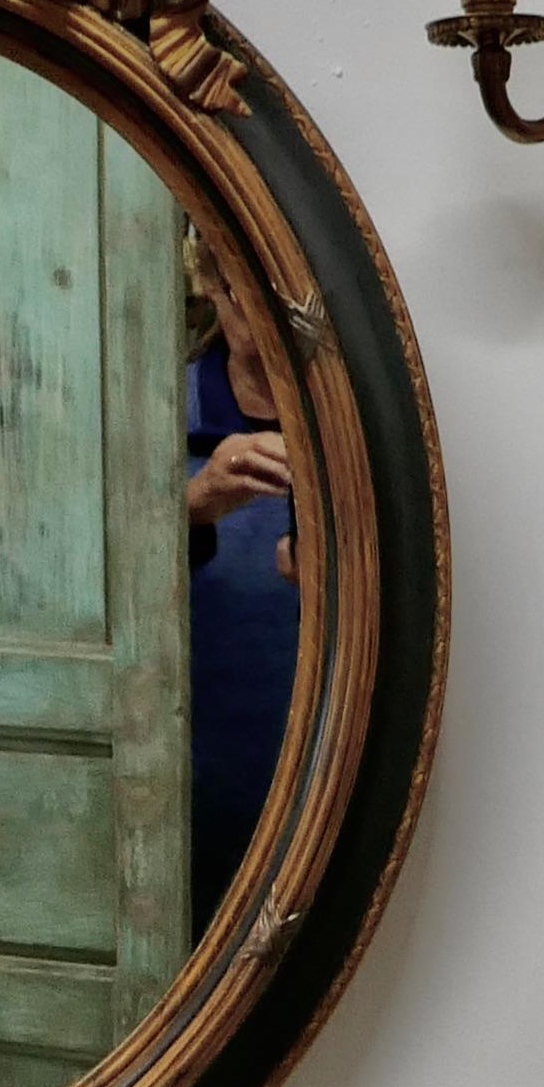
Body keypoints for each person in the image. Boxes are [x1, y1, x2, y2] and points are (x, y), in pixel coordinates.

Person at [185, 244, 302, 939]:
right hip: (196, 787)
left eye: (270, 289)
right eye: (236, 290)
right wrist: (192, 506)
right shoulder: (160, 415)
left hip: (320, 780)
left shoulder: (352, 422)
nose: (254, 312)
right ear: (208, 283)